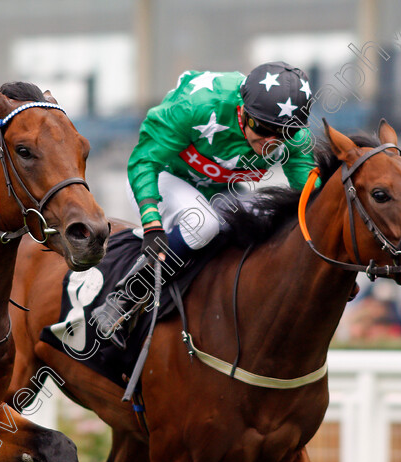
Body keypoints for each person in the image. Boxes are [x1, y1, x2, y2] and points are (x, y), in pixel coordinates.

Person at [93, 61, 316, 347]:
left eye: (283, 132)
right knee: (205, 225)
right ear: (241, 110)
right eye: (261, 127)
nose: (269, 142)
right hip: (162, 178)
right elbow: (144, 161)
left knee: (272, 224)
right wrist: (151, 222)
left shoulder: (296, 137)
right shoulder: (197, 104)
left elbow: (310, 200)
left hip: (219, 192)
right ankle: (124, 298)